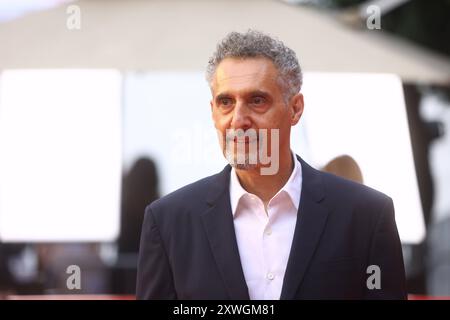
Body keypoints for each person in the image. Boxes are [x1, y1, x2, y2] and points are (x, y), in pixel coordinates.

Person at [136, 30, 406, 300]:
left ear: (295, 109)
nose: (238, 119)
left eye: (257, 100)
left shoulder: (366, 215)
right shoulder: (168, 222)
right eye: (226, 102)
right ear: (213, 112)